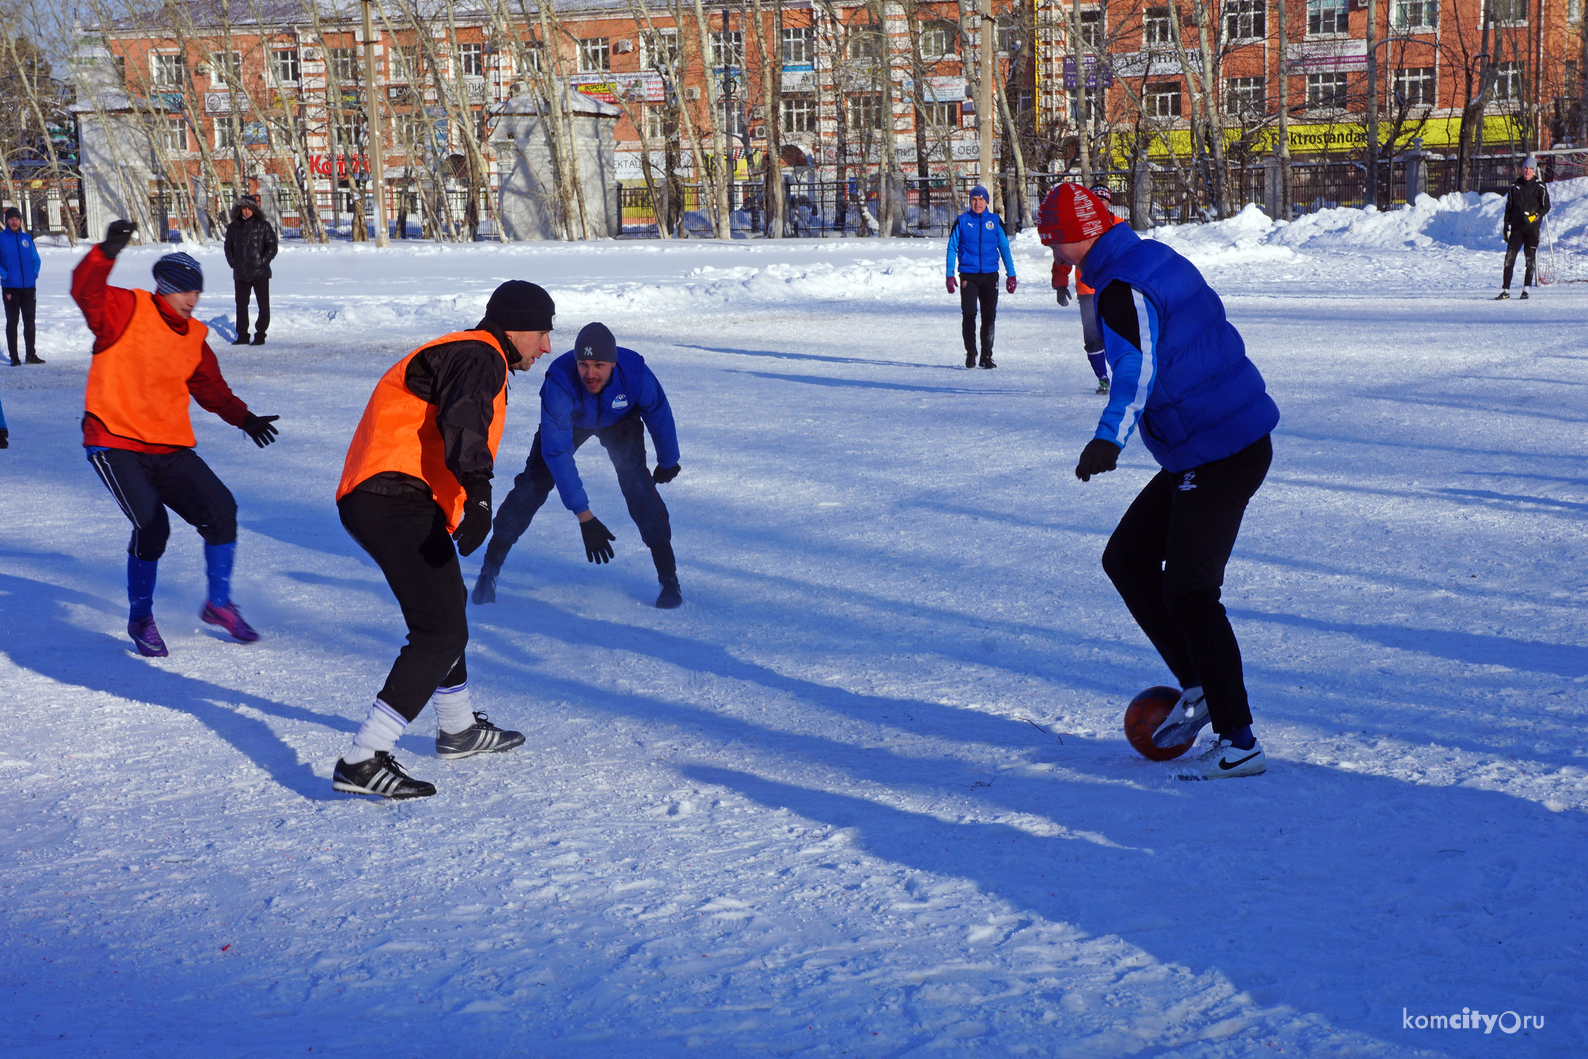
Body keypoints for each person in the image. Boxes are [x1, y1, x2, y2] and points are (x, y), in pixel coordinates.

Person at [1050, 184, 1280, 780]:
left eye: (1055, 239)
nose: (1055, 251)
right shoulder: (1154, 256)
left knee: (1190, 592)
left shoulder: (1122, 287)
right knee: (1127, 558)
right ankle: (1200, 685)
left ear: (1077, 233)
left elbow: (1137, 369)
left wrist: (1108, 437)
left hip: (1219, 449)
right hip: (1212, 439)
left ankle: (1240, 741)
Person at [332, 280, 554, 799]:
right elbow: (465, 420)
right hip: (391, 495)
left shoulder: (470, 351)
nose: (546, 347)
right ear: (518, 327)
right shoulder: (481, 355)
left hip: (394, 495)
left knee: (447, 609)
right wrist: (480, 492)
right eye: (543, 333)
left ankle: (456, 728)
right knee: (439, 631)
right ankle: (363, 759)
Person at [71, 220, 281, 658]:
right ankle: (141, 616)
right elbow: (85, 290)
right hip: (114, 441)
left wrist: (246, 419)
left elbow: (210, 390)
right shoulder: (124, 309)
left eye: (197, 291)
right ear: (163, 287)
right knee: (152, 526)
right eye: (184, 290)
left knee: (221, 509)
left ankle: (218, 605)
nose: (192, 299)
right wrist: (105, 252)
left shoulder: (197, 338)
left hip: (169, 446)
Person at [473, 321, 683, 610]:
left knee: (636, 483)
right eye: (583, 364)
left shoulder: (634, 373)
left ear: (613, 362)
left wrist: (668, 460)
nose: (590, 374)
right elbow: (557, 453)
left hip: (619, 420)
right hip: (571, 422)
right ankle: (490, 568)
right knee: (534, 483)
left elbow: (658, 411)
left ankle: (668, 578)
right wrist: (585, 516)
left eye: (599, 365)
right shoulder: (559, 383)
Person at [1040, 184, 1119, 394]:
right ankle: (1103, 377)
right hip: (1087, 291)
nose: (1100, 205)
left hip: (1113, 289)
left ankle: (1123, 375)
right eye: (1095, 202)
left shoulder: (1118, 225)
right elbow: (1063, 254)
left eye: (1103, 201)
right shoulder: (1078, 226)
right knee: (1092, 336)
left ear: (1109, 203)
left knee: (1117, 334)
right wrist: (1060, 282)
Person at [945, 185, 1017, 369]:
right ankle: (971, 352)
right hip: (968, 276)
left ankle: (986, 356)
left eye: (981, 199)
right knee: (969, 314)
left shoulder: (995, 221)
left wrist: (1011, 275)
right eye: (974, 200)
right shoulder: (962, 221)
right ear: (970, 202)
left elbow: (1004, 248)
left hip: (990, 276)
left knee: (989, 316)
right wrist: (949, 274)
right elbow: (952, 247)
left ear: (987, 202)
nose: (977, 203)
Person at [223, 194, 278, 344]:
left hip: (260, 273)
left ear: (255, 210)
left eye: (249, 208)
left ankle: (260, 335)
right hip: (240, 274)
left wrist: (263, 261)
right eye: (244, 208)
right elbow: (228, 247)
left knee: (263, 306)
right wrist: (233, 262)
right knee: (241, 306)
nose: (246, 211)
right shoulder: (233, 227)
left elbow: (272, 246)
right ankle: (242, 336)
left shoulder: (263, 225)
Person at [1496, 156, 1550, 301]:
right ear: (1522, 169)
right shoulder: (1514, 187)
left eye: (1530, 169)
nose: (1527, 171)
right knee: (1509, 259)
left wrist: (1536, 216)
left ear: (1534, 171)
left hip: (1532, 229)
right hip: (1517, 229)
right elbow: (1509, 206)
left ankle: (1526, 290)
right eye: (1526, 168)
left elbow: (1546, 207)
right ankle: (1505, 291)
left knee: (1530, 260)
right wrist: (1506, 224)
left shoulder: (1540, 187)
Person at [1, 205, 44, 365]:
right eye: (11, 219)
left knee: (30, 321)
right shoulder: (1, 239)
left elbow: (36, 259)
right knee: (12, 321)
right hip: (10, 287)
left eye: (17, 219)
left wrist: (34, 274)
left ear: (20, 221)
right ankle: (14, 357)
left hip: (28, 287)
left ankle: (31, 355)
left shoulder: (26, 239)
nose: (14, 221)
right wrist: (5, 275)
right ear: (7, 221)